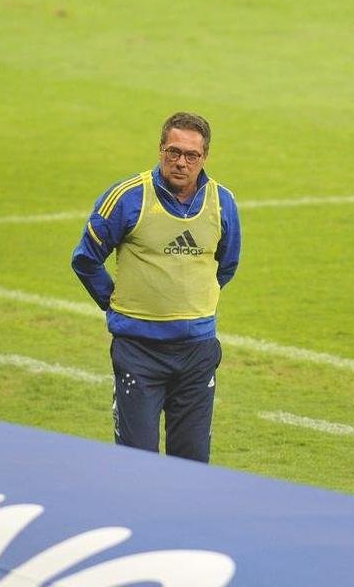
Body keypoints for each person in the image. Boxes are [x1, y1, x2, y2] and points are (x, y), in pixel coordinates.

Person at [71, 112, 241, 463]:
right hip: (139, 352)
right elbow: (86, 259)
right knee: (138, 464)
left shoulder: (222, 203)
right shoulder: (127, 198)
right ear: (161, 150)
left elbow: (226, 266)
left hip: (197, 352)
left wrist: (190, 305)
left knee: (192, 465)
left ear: (204, 157)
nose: (181, 162)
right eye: (173, 152)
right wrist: (114, 303)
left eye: (191, 155)